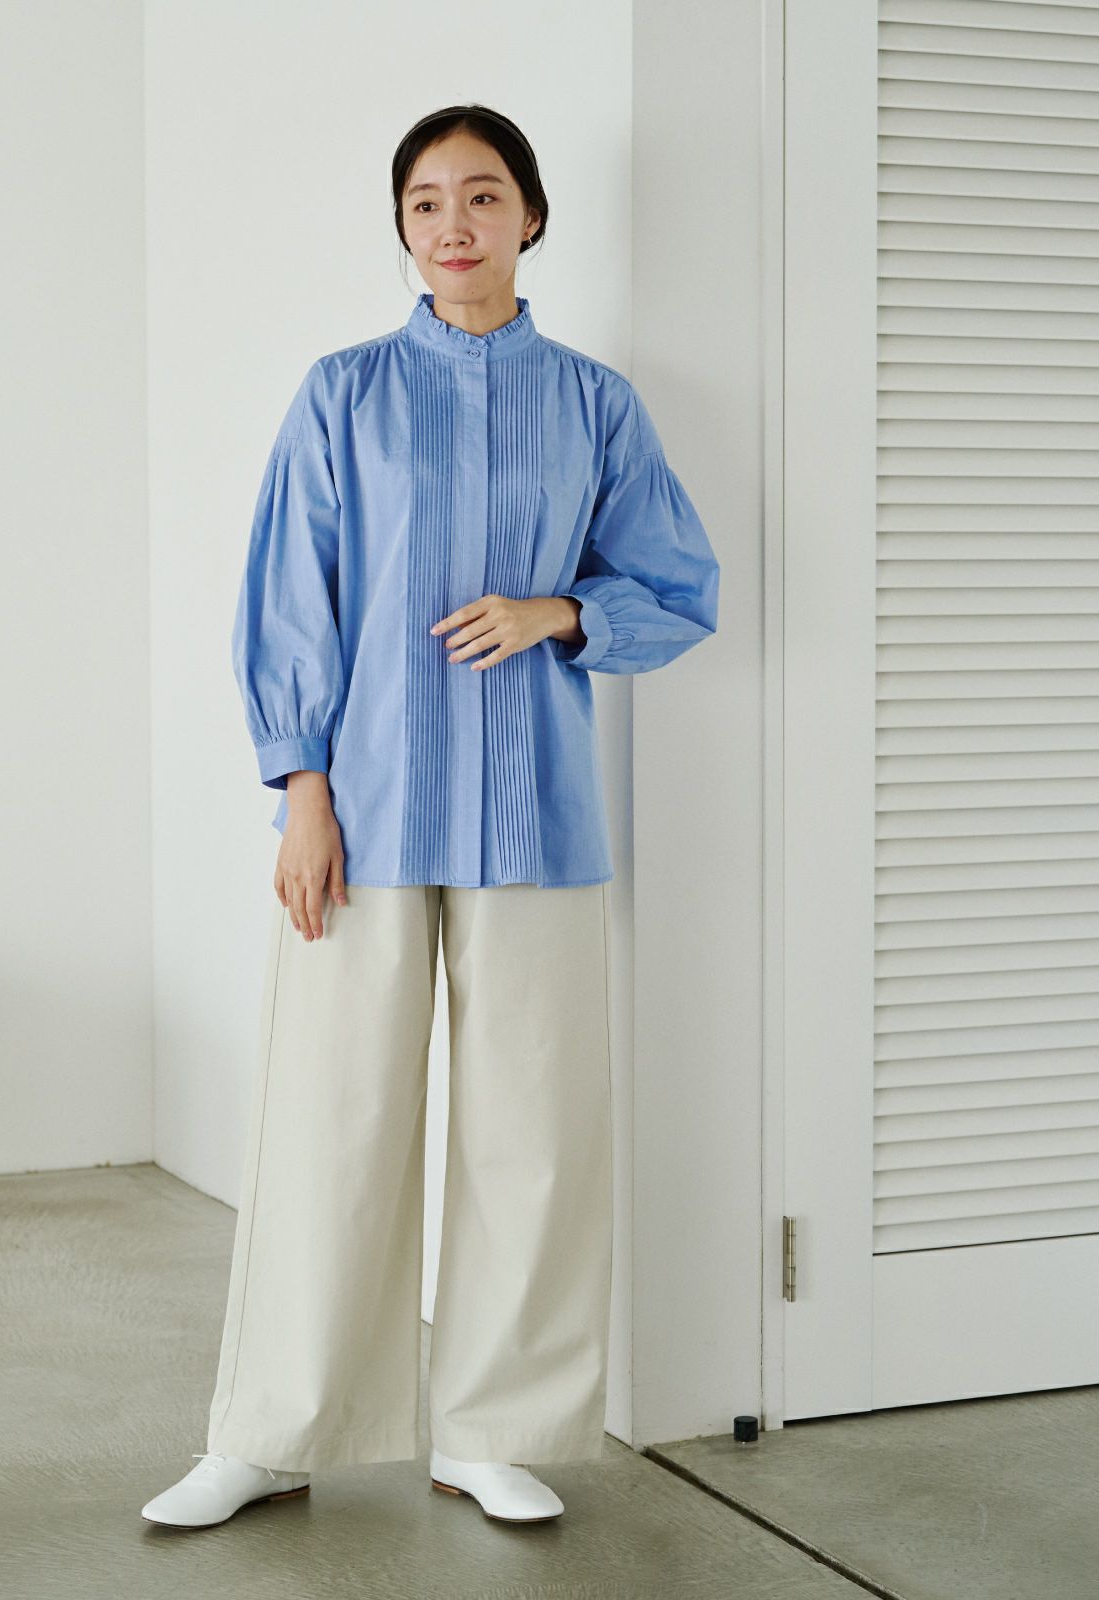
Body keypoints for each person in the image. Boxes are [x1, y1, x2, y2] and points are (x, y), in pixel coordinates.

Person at [142, 102, 719, 1532]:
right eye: (424, 202)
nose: (453, 223)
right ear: (402, 227)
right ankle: (271, 1432)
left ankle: (493, 1428)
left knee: (533, 1134)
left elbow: (678, 586)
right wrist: (304, 794)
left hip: (537, 818)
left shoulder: (595, 405)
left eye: (481, 194)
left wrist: (560, 612)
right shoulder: (343, 394)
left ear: (531, 215)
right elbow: (291, 597)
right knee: (329, 1125)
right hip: (367, 814)